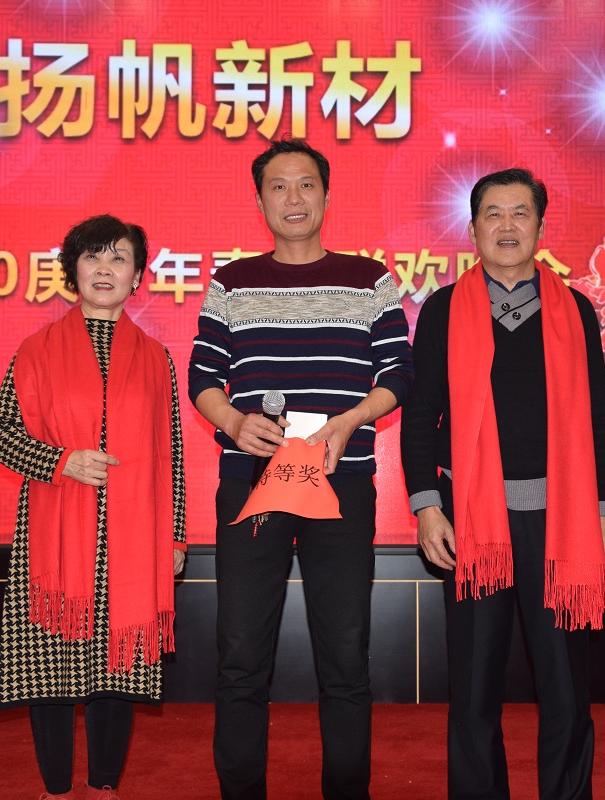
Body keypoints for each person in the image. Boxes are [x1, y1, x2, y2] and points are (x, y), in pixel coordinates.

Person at [188, 138, 414, 800]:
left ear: (326, 195)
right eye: (279, 186)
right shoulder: (232, 282)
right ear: (260, 201)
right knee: (240, 655)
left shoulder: (369, 278)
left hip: (341, 480)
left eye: (306, 184)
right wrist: (234, 423)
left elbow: (399, 372)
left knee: (345, 655)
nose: (294, 198)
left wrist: (352, 419)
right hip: (251, 480)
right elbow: (202, 376)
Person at [400, 168, 605, 800]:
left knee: (565, 688)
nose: (506, 225)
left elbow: (599, 413)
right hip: (473, 521)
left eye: (520, 213)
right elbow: (421, 412)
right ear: (472, 230)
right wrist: (427, 507)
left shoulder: (575, 310)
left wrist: (604, 512)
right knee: (473, 688)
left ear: (540, 227)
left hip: (562, 520)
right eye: (492, 214)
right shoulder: (443, 310)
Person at [0, 214, 187, 800]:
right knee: (49, 671)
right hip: (54, 544)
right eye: (92, 256)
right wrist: (60, 461)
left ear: (138, 276)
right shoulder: (37, 350)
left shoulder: (157, 359)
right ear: (72, 270)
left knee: (118, 668)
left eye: (119, 257)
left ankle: (103, 787)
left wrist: (175, 537)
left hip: (133, 540)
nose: (105, 268)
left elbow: (171, 454)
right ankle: (56, 790)